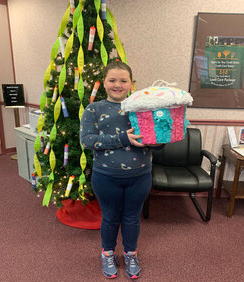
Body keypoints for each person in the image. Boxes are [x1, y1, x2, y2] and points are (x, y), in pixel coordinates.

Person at [80, 61, 164, 279]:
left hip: (140, 175)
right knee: (109, 218)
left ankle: (130, 254)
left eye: (123, 80)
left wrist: (158, 142)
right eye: (112, 80)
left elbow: (157, 138)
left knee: (132, 218)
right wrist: (122, 138)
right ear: (104, 82)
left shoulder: (142, 107)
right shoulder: (94, 109)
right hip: (106, 176)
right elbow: (87, 141)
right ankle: (108, 253)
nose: (117, 85)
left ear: (131, 83)